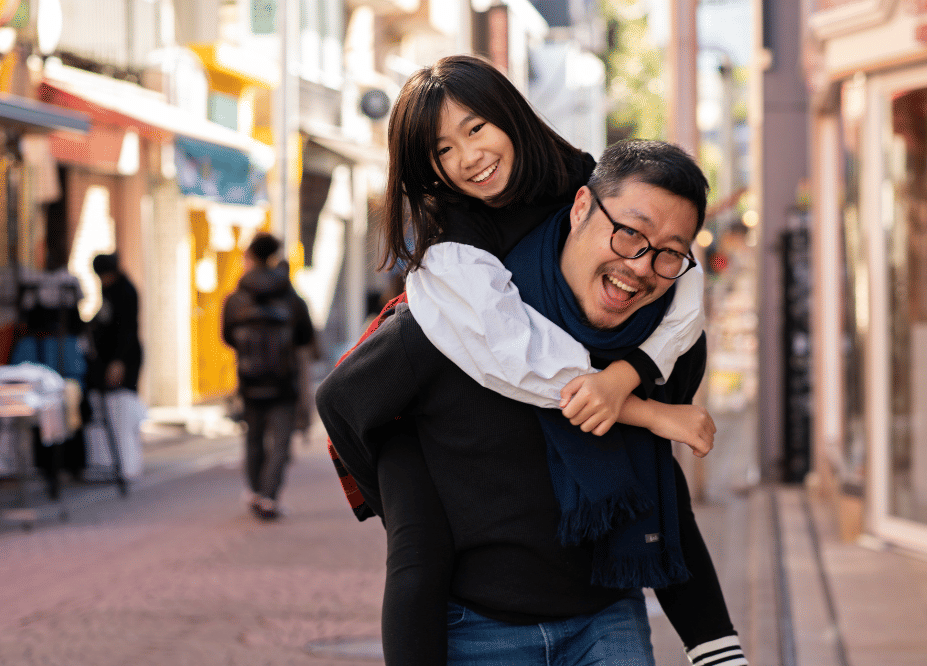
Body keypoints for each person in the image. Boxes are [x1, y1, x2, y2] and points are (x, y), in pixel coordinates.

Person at [324, 57, 745, 666]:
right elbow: (516, 355)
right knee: (418, 551)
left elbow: (682, 284)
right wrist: (413, 490)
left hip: (606, 612)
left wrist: (628, 375)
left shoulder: (592, 188)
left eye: (476, 128)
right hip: (480, 622)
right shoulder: (455, 264)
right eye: (443, 150)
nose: (469, 157)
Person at [222, 233, 317, 521]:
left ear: (251, 257)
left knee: (253, 437)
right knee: (281, 441)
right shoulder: (290, 296)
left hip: (249, 378)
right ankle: (269, 497)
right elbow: (305, 336)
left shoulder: (236, 298)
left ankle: (254, 492)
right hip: (284, 380)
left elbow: (227, 336)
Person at [89, 253, 142, 392]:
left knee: (123, 397)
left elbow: (128, 328)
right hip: (108, 353)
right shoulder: (108, 290)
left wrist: (119, 360)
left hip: (124, 355)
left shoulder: (126, 292)